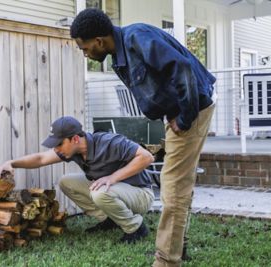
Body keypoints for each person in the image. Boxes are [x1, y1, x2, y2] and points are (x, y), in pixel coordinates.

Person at [70, 8, 216, 267]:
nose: (85, 53)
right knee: (179, 183)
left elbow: (181, 67)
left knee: (172, 186)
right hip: (178, 114)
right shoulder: (120, 55)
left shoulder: (137, 37)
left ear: (99, 41)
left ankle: (167, 260)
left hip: (191, 110)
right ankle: (178, 247)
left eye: (85, 48)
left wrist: (183, 118)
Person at [0, 116, 155, 244]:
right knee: (66, 182)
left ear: (75, 139)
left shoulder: (110, 142)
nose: (56, 149)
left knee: (99, 193)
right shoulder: (73, 151)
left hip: (140, 194)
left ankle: (136, 228)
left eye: (59, 144)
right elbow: (40, 158)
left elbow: (147, 157)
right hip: (115, 191)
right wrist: (11, 163)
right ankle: (109, 219)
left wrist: (112, 178)